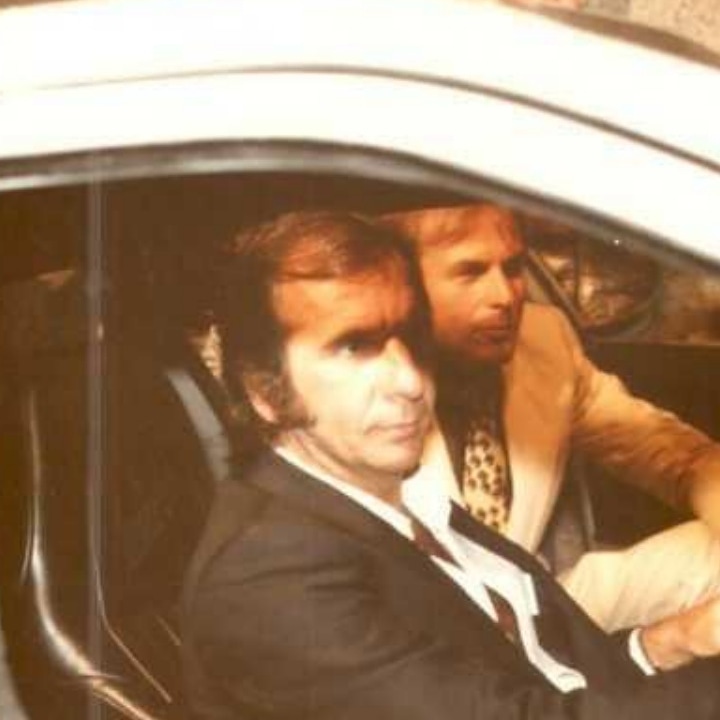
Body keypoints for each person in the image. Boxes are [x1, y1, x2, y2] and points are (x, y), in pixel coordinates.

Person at [182, 210, 720, 720]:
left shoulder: (399, 500)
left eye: (413, 338)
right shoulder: (268, 578)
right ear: (265, 392)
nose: (411, 382)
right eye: (354, 347)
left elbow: (538, 675)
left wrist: (670, 643)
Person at [383, 203, 720, 632]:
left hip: (537, 614)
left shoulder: (544, 340)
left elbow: (671, 452)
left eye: (513, 268)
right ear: (400, 284)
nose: (505, 296)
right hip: (417, 638)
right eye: (470, 272)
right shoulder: (358, 382)